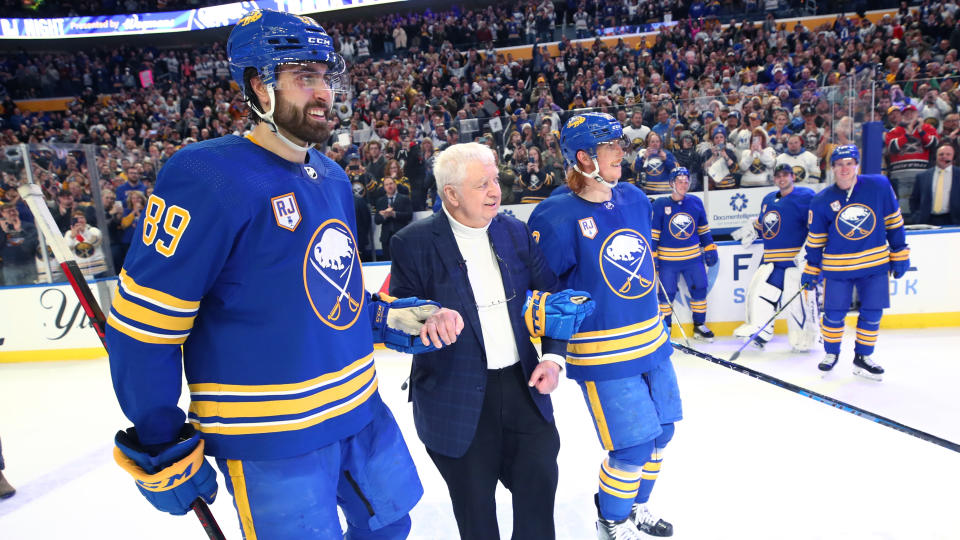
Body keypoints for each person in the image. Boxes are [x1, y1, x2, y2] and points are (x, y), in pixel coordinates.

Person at [104, 10, 462, 539]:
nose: (322, 93)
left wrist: (389, 318)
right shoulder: (204, 176)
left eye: (325, 77)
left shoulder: (332, 176)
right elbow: (145, 329)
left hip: (360, 411)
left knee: (392, 527)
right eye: (302, 78)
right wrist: (161, 441)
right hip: (270, 436)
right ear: (258, 87)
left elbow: (330, 296)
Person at [389, 142, 572, 540]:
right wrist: (425, 318)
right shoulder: (412, 242)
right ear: (451, 195)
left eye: (495, 180)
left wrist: (554, 359)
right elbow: (397, 319)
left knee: (539, 502)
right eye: (481, 184)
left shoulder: (515, 232)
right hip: (455, 401)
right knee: (478, 523)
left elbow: (553, 299)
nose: (495, 191)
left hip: (524, 390)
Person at [528, 113, 680, 540]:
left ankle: (637, 507)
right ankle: (611, 521)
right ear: (583, 156)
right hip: (603, 352)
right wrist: (555, 354)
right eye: (611, 146)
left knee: (662, 434)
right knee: (631, 446)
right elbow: (544, 293)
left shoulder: (633, 197)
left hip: (652, 342)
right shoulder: (554, 215)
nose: (622, 152)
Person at [802, 145, 910, 380]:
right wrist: (811, 267)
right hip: (837, 268)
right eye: (839, 164)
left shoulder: (878, 186)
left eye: (849, 163)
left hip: (874, 265)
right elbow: (816, 240)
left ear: (857, 165)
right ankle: (831, 354)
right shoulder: (821, 201)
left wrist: (900, 251)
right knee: (833, 313)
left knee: (873, 312)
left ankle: (863, 357)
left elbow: (894, 221)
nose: (844, 168)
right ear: (832, 168)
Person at [732, 164, 819, 350]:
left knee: (797, 302)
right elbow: (765, 223)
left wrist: (809, 253)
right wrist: (752, 228)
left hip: (794, 263)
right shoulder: (768, 199)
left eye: (785, 175)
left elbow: (816, 225)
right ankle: (761, 333)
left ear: (792, 177)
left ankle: (804, 338)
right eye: (778, 175)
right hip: (771, 261)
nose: (782, 179)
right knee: (760, 294)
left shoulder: (806, 196)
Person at [651, 167, 718, 341]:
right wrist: (653, 255)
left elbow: (703, 230)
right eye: (679, 181)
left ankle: (699, 326)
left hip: (693, 259)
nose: (683, 184)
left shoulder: (696, 202)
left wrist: (709, 247)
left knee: (700, 288)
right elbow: (654, 234)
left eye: (686, 181)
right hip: (668, 261)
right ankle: (666, 328)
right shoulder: (660, 204)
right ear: (671, 183)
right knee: (667, 293)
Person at [910, 143, 960, 225]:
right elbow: (914, 199)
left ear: (953, 157)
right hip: (928, 220)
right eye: (941, 154)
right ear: (936, 157)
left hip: (954, 220)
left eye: (948, 154)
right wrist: (916, 217)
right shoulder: (923, 176)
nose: (944, 157)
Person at [0, 202, 39, 286]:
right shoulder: (1, 229)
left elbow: (31, 246)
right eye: (8, 211)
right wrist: (4, 233)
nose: (12, 213)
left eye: (13, 210)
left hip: (28, 266)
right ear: (2, 213)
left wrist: (20, 231)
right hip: (10, 268)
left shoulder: (29, 226)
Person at [374, 176, 412, 260]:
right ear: (384, 187)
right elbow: (377, 220)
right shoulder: (380, 201)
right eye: (386, 184)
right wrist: (384, 216)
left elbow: (409, 215)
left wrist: (394, 214)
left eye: (391, 183)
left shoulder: (404, 198)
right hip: (386, 239)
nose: (389, 186)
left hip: (402, 236)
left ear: (395, 184)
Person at [64, 210, 107, 277]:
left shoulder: (93, 230)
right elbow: (66, 250)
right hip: (81, 272)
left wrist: (85, 231)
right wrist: (72, 237)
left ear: (85, 219)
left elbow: (96, 242)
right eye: (77, 218)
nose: (80, 220)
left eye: (82, 217)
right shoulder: (69, 234)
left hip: (98, 270)